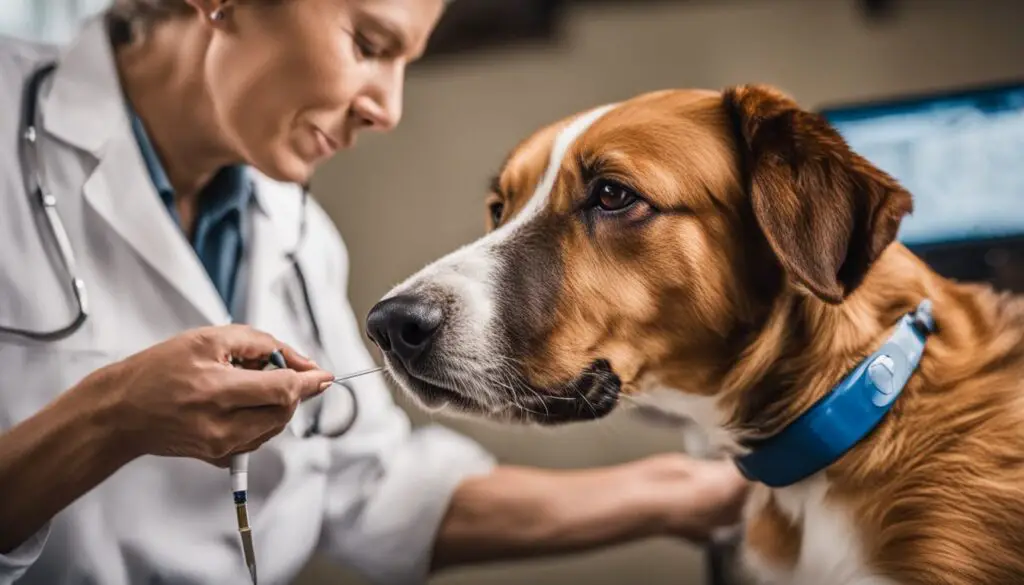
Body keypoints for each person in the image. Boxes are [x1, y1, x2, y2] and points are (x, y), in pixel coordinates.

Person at [0, 1, 750, 584]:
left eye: (405, 64)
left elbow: (372, 492)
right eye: (367, 45)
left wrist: (684, 492)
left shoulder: (299, 236)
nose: (386, 109)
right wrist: (111, 417)